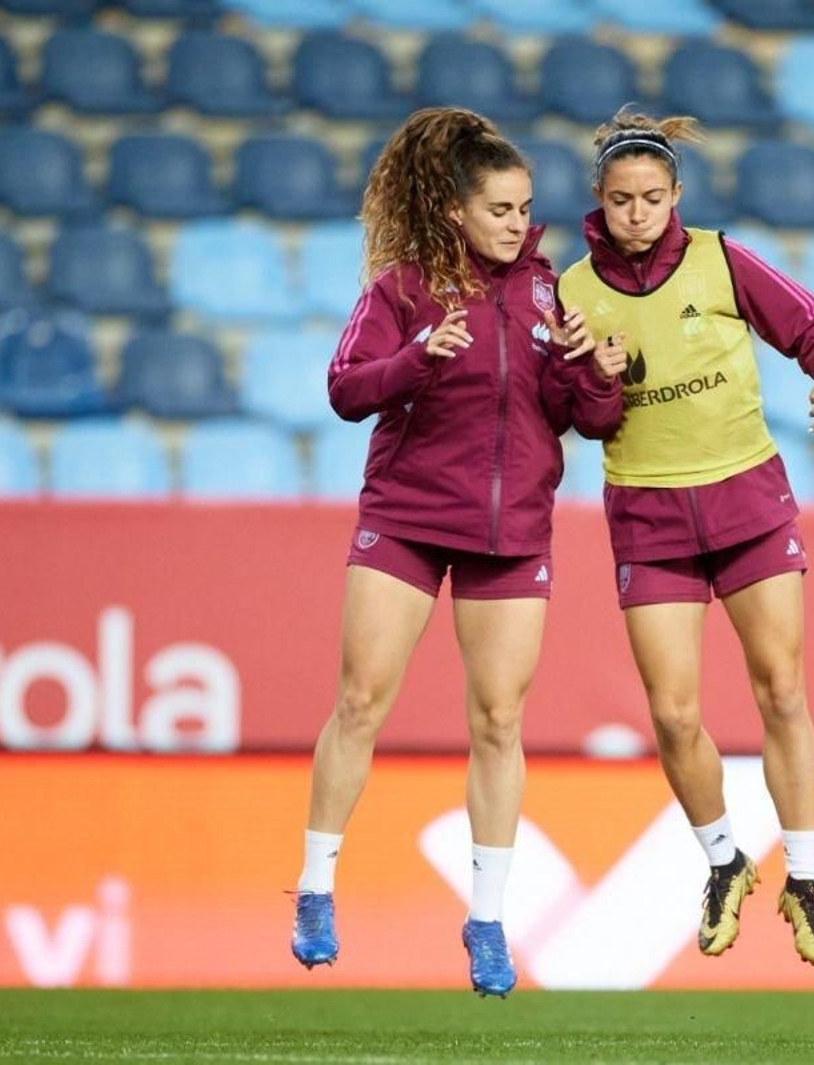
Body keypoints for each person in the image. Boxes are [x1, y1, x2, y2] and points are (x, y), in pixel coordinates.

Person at [289, 107, 614, 998]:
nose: (520, 223)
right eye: (502, 208)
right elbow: (347, 389)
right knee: (360, 699)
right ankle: (316, 887)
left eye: (525, 208)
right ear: (457, 212)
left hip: (511, 536)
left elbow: (587, 420)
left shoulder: (550, 295)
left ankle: (487, 918)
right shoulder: (401, 288)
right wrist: (419, 361)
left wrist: (593, 370)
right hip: (407, 515)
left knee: (499, 721)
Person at [557, 108, 814, 967]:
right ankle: (725, 858)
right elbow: (579, 420)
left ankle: (803, 876)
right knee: (674, 712)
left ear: (677, 195)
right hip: (649, 514)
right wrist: (597, 384)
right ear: (600, 201)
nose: (639, 213)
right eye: (623, 200)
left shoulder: (722, 260)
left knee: (782, 690)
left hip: (747, 502)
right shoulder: (572, 294)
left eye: (654, 197)